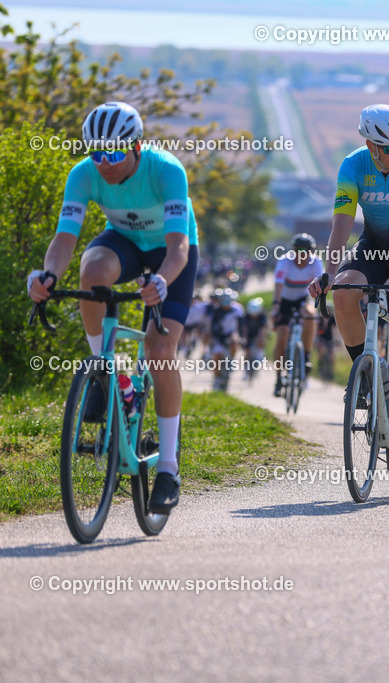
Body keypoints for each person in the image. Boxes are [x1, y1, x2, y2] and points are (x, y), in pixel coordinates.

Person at [27, 101, 199, 514]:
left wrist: (161, 281)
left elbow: (178, 247)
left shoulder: (166, 170)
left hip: (170, 254)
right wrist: (48, 276)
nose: (104, 164)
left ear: (137, 146)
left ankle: (169, 468)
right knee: (92, 270)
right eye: (96, 153)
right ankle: (103, 373)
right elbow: (65, 238)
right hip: (122, 242)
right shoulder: (83, 174)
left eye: (115, 154)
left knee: (159, 352)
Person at [309, 103, 389, 475]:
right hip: (375, 246)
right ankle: (366, 373)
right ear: (371, 145)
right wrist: (327, 272)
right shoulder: (352, 165)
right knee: (343, 291)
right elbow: (341, 224)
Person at [272, 233, 324, 396]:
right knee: (282, 337)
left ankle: (306, 356)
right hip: (284, 300)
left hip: (302, 299)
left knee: (310, 315)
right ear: (293, 250)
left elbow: (320, 286)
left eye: (306, 250)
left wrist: (320, 307)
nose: (302, 253)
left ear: (311, 251)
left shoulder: (316, 262)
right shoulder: (285, 261)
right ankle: (279, 377)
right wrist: (276, 307)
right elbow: (279, 285)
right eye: (298, 250)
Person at [205, 288, 244, 389]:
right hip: (219, 336)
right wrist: (212, 338)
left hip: (231, 335)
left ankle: (231, 359)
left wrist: (242, 337)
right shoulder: (216, 311)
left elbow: (241, 325)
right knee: (217, 356)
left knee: (235, 340)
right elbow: (212, 327)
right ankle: (217, 376)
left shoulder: (237, 310)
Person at [242, 297, 268, 375]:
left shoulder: (262, 317)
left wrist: (261, 338)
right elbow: (244, 329)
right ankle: (246, 370)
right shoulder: (246, 317)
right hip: (249, 334)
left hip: (258, 334)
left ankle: (259, 358)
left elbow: (263, 329)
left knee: (260, 344)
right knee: (247, 351)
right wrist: (244, 339)